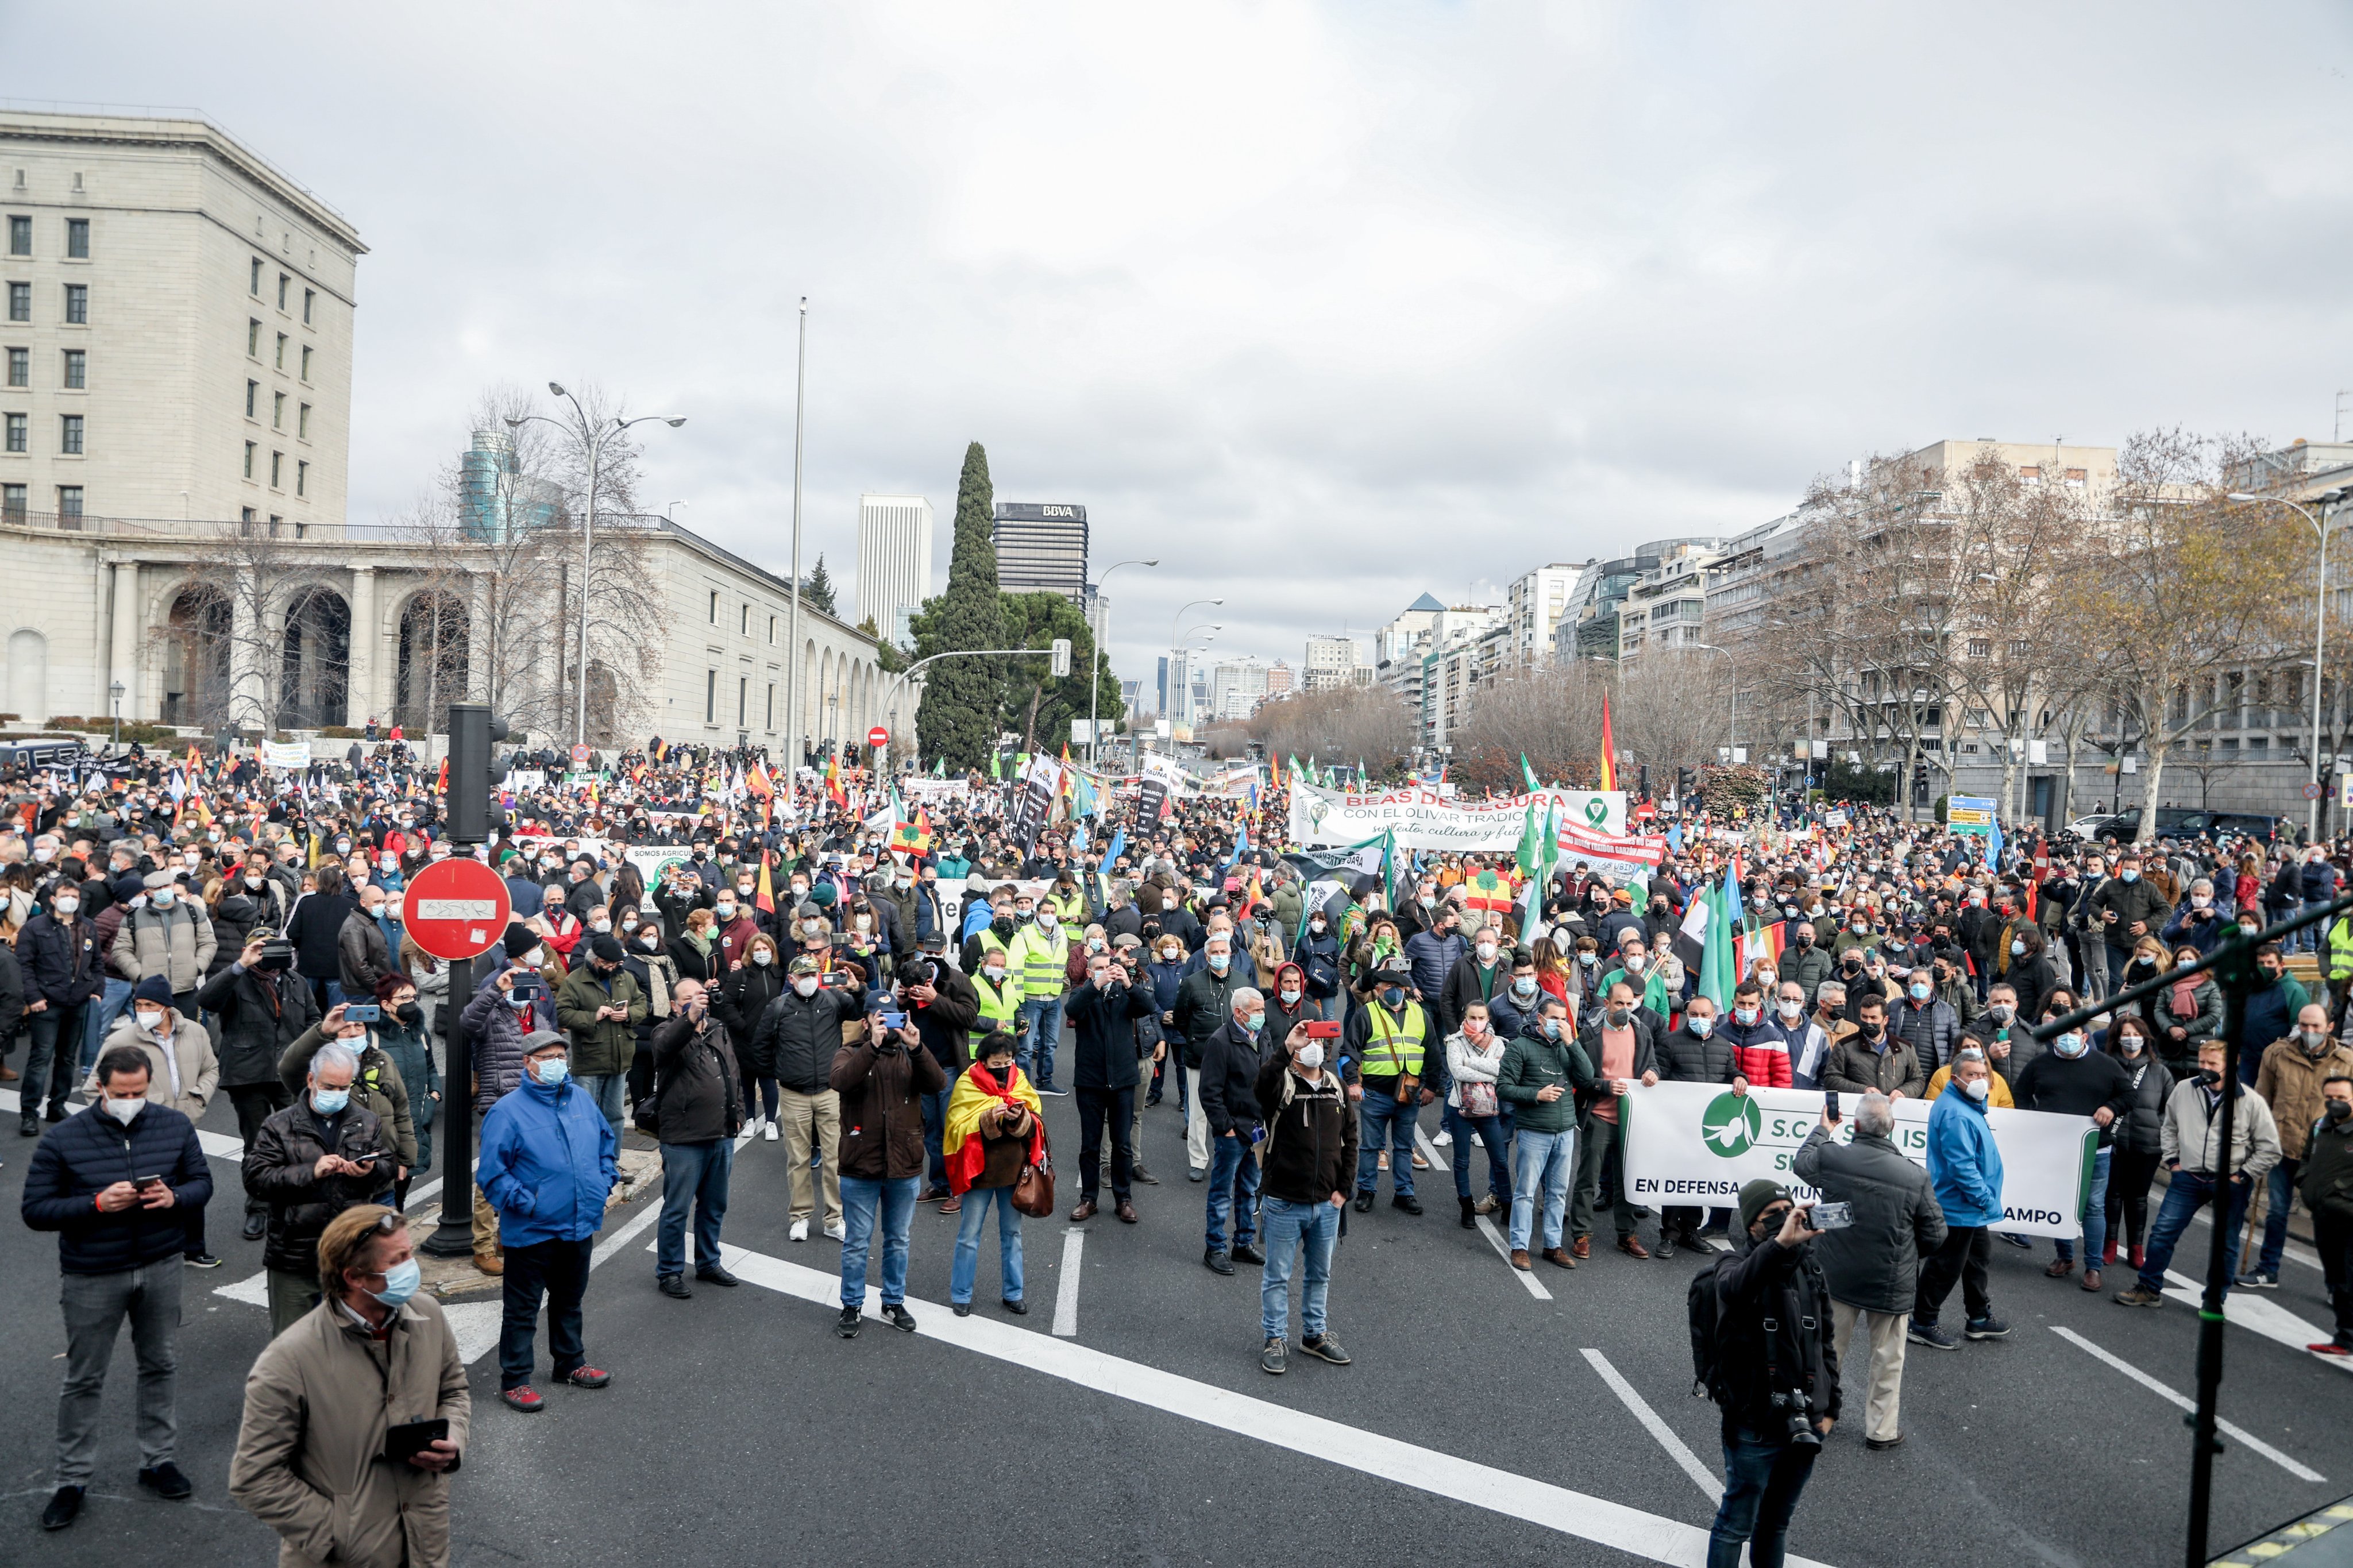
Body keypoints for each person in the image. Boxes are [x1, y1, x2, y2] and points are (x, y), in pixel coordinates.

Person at [20, 1045, 212, 1532]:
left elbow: (202, 1185)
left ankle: (158, 1461)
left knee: (160, 1364)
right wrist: (97, 1204)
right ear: (100, 1088)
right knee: (84, 1378)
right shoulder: (63, 1140)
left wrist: (174, 1197)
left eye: (140, 1093)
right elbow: (36, 1210)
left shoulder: (173, 1126)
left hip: (161, 1264)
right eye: (123, 1093)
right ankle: (72, 1479)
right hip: (93, 1273)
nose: (132, 1100)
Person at [227, 1206, 469, 1567]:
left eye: (410, 1253)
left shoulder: (428, 1315)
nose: (412, 1266)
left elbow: (453, 1391)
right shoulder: (289, 1360)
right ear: (355, 1277)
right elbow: (255, 1477)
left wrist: (454, 1438)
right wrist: (339, 1536)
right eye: (399, 1259)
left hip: (425, 1545)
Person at [1791, 1093, 1945, 1451]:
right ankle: (1881, 1431)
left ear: (1856, 1125)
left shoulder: (1833, 1156)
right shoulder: (1915, 1176)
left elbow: (1802, 1163)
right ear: (1892, 1128)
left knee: (1826, 1350)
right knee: (1888, 1359)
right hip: (1890, 1282)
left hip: (1837, 1276)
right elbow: (1936, 1236)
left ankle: (1817, 1420)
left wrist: (1823, 1128)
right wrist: (1905, 1253)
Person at [1700, 1181, 1839, 1568]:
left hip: (1804, 1420)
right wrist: (1779, 1245)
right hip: (1754, 1424)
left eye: (1788, 1210)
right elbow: (1737, 1287)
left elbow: (1826, 1341)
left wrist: (1831, 1411)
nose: (1782, 1219)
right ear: (1751, 1226)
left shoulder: (1809, 1266)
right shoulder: (1732, 1266)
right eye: (1771, 1215)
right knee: (1735, 1525)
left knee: (1775, 1525)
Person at [477, 1031, 618, 1412]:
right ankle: (515, 1379)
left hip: (579, 1223)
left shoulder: (582, 1100)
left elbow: (607, 1144)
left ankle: (569, 1364)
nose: (556, 1062)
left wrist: (605, 1181)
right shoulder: (507, 1111)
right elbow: (492, 1173)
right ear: (528, 1062)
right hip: (531, 1230)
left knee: (570, 1301)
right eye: (546, 1056)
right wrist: (528, 1203)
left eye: (560, 1055)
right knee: (522, 1309)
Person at [2116, 1037, 2282, 1307]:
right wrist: (2173, 1163)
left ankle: (2215, 1299)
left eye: (2213, 1063)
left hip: (2230, 1181)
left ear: (2232, 1063)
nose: (2205, 1067)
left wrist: (2242, 1175)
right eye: (2202, 1061)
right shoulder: (2184, 1090)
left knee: (2226, 1244)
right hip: (2188, 1177)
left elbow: (2270, 1149)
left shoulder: (2251, 1101)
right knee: (2162, 1234)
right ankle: (2148, 1287)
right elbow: (2169, 1126)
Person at [246, 1039, 393, 1335]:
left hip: (350, 1255)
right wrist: (310, 1171)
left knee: (354, 1345)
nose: (337, 1095)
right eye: (330, 1087)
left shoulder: (367, 1122)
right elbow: (257, 1180)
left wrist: (369, 1170)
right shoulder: (278, 1126)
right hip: (295, 1255)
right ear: (311, 1079)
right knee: (293, 1348)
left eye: (344, 1088)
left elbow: (387, 1167)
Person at [831, 990, 946, 1338]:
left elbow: (938, 1084)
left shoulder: (910, 1054)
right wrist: (873, 1047)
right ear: (866, 1021)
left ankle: (893, 1302)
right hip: (860, 1164)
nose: (887, 1024)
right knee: (857, 1242)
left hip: (903, 1163)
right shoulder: (850, 1051)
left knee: (898, 1239)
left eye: (893, 1017)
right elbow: (840, 1081)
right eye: (879, 1018)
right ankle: (851, 1305)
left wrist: (918, 1047)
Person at [88, 974, 223, 1266]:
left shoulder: (196, 1033)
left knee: (191, 1186)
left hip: (186, 1125)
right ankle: (144, 1251)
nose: (143, 1011)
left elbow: (211, 1068)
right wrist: (122, 1117)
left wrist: (198, 1097)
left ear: (165, 1006)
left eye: (149, 1004)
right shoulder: (121, 1040)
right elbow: (93, 1088)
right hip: (142, 1131)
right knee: (145, 1191)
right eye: (139, 1004)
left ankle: (194, 1248)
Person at [1253, 1013, 1356, 1374]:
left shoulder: (1336, 1086)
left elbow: (1351, 1141)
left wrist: (1344, 1190)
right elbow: (1260, 1086)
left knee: (1319, 1275)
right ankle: (1275, 1337)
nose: (1312, 1048)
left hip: (1326, 1206)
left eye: (1317, 1042)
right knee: (1277, 1276)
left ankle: (1314, 1335)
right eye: (1306, 1042)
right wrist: (1286, 1048)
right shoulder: (1280, 1082)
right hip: (1283, 1201)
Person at [646, 978, 742, 1298]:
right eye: (687, 999)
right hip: (684, 1138)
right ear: (675, 1006)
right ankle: (670, 1271)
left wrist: (739, 1114)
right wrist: (689, 1019)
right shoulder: (665, 1031)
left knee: (714, 1206)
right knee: (677, 1208)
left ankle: (708, 1262)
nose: (696, 1002)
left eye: (699, 996)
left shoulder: (717, 1028)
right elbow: (664, 1049)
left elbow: (733, 1073)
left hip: (721, 1134)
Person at [753, 955, 862, 1240]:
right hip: (793, 1093)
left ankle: (834, 1219)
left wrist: (857, 988)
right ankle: (800, 1217)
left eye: (813, 974)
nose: (809, 980)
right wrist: (781, 1074)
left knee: (835, 1158)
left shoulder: (834, 1000)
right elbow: (761, 1047)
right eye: (803, 976)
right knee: (798, 1159)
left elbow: (863, 1011)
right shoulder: (778, 1008)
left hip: (829, 1092)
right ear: (792, 980)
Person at [2243, 1008, 2353, 1288]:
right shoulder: (2277, 1053)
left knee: (2328, 1219)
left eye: (2315, 1025)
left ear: (2329, 1026)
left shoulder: (2347, 1060)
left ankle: (2337, 1285)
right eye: (2303, 1025)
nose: (2308, 1031)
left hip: (2323, 1153)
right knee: (2278, 1210)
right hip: (2283, 1143)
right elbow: (2261, 1098)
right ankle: (2268, 1270)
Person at [1910, 1047, 2009, 1350]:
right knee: (1946, 1264)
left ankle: (1978, 1316)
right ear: (1956, 1079)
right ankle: (1923, 1322)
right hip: (1960, 1204)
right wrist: (1985, 1199)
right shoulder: (1956, 1112)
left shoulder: (1967, 1103)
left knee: (1978, 1258)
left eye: (1983, 1075)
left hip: (1970, 1205)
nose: (1979, 1080)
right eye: (1972, 1075)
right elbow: (1962, 1166)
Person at [942, 1027, 1040, 1316]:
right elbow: (956, 1127)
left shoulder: (1019, 1078)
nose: (1004, 1067)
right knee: (969, 1235)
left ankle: (1014, 1293)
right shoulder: (966, 1083)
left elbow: (1036, 1115)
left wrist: (1019, 1117)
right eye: (997, 1063)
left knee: (1013, 1233)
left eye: (1008, 1060)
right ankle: (961, 1295)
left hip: (1012, 1170)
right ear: (982, 1061)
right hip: (979, 1173)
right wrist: (987, 1118)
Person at [1498, 993, 1592, 1270]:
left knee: (1558, 1193)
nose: (1559, 1024)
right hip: (1534, 1132)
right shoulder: (1520, 1047)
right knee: (1526, 1192)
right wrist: (1536, 1094)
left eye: (1563, 1020)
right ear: (1540, 1019)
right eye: (1554, 1019)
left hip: (1564, 1132)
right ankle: (1519, 1247)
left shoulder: (1568, 1046)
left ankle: (1553, 1246)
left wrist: (1572, 1043)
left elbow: (1587, 1077)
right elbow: (1503, 1087)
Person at [1573, 979, 1662, 1258]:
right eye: (1619, 1003)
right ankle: (1581, 1235)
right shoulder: (1590, 1034)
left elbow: (1653, 1063)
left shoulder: (1641, 1030)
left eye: (1630, 1003)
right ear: (1607, 1004)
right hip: (1599, 1116)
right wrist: (1605, 1086)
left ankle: (1627, 1235)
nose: (1626, 1008)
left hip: (1630, 1118)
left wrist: (1653, 1073)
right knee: (1588, 1179)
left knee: (1626, 1180)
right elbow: (1581, 1077)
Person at [1066, 946, 1155, 1222]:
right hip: (1091, 1080)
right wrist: (1096, 985)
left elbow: (1148, 1007)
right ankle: (1088, 1199)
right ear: (1091, 972)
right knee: (1090, 1144)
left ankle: (1123, 1199)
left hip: (1123, 1079)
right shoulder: (1083, 993)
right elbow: (1072, 1010)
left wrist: (1128, 982)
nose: (1108, 973)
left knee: (1123, 1143)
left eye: (1111, 968)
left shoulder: (1124, 993)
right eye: (1102, 969)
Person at [1345, 956, 1430, 1214]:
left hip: (1409, 1094)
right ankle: (1366, 1191)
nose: (1393, 993)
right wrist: (1352, 1083)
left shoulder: (1420, 1014)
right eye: (1387, 988)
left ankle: (1404, 1193)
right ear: (1379, 990)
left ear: (1405, 990)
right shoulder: (1366, 1014)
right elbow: (1349, 1053)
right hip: (1375, 1093)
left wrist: (1431, 1086)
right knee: (1370, 1146)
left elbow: (1433, 1052)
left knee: (1404, 1147)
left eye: (1399, 989)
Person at [18, 879, 105, 1136]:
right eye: (65, 895)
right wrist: (34, 997)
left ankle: (57, 1106)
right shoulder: (35, 928)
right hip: (46, 1003)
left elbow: (97, 962)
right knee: (40, 1059)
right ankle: (29, 1113)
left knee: (67, 1059)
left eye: (75, 896)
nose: (71, 900)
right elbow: (24, 966)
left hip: (77, 1002)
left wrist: (97, 991)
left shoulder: (88, 926)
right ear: (54, 899)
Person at [1199, 985, 1271, 1275]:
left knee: (1250, 1190)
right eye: (1257, 1011)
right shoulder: (1220, 1042)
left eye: (1263, 1010)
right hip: (1233, 1132)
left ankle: (1243, 1243)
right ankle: (1215, 1247)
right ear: (1239, 1013)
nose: (1262, 1016)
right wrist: (1226, 1128)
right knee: (1222, 1193)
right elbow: (1210, 1092)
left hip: (1258, 1129)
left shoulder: (1262, 1035)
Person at [553, 932, 647, 1142]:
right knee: (583, 1116)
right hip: (590, 1058)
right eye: (606, 963)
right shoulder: (575, 981)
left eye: (615, 963)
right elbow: (561, 1014)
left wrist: (629, 1014)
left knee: (615, 1117)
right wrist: (592, 1016)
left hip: (620, 1058)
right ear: (592, 958)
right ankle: (586, 1161)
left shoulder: (625, 978)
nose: (611, 967)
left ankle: (611, 1163)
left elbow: (642, 1003)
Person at [2104, 1016, 2173, 1274]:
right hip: (2113, 1141)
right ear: (2117, 1037)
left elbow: (2171, 1109)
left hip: (2147, 1145)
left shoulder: (2160, 1071)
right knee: (2112, 1195)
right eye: (2125, 1033)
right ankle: (2109, 1244)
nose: (2130, 1038)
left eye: (2136, 1033)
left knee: (2139, 1198)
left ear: (2145, 1038)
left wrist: (2158, 1128)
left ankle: (2136, 1248)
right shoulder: (2107, 1066)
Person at [1442, 999, 1514, 1229]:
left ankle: (1508, 1206)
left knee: (1500, 1161)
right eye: (1472, 1017)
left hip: (1489, 1110)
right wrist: (1487, 1071)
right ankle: (1466, 1207)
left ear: (1488, 1019)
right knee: (1462, 1161)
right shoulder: (1454, 1042)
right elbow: (1457, 1071)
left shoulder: (1498, 1043)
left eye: (1481, 1018)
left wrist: (1471, 1062)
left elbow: (1502, 1070)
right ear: (1465, 1017)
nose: (1477, 1022)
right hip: (1460, 1108)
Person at [2301, 1074, 2353, 1355]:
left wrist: (2342, 1192)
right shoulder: (2320, 1126)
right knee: (2336, 1280)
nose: (2335, 1104)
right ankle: (2345, 1338)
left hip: (2349, 1219)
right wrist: (2306, 1183)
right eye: (2329, 1098)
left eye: (2342, 1099)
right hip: (2324, 1215)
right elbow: (2307, 1158)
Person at [1009, 895, 1072, 1094]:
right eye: (1045, 912)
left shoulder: (1062, 933)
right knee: (1026, 1047)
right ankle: (1023, 1087)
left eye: (1053, 913)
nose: (1049, 916)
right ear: (1038, 913)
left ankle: (1045, 1082)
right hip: (1031, 999)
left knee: (1050, 1045)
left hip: (1053, 998)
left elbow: (1061, 961)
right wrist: (1019, 998)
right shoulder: (1025, 934)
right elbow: (1016, 967)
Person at [1820, 995, 1925, 1100]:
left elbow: (1918, 1080)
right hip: (1858, 1110)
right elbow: (1831, 1079)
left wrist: (1904, 1091)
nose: (1868, 1022)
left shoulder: (1905, 1048)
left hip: (1893, 1111)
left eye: (1874, 1018)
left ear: (1885, 1020)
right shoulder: (1844, 1046)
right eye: (1864, 1017)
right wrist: (1862, 1090)